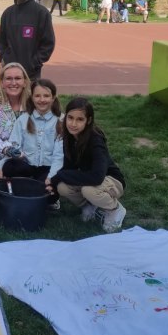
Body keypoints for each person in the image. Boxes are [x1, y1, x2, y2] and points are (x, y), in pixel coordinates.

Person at [47, 97, 126, 233]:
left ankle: (115, 209)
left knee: (88, 190)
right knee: (62, 187)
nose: (73, 123)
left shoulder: (95, 140)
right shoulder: (69, 137)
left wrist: (60, 175)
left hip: (111, 180)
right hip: (91, 179)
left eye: (80, 119)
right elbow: (69, 167)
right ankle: (90, 205)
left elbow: (97, 177)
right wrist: (53, 182)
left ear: (88, 120)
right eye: (70, 118)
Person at [0, 79, 64, 211]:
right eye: (37, 96)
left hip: (48, 168)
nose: (42, 100)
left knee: (48, 193)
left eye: (46, 96)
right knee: (9, 166)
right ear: (32, 98)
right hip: (27, 166)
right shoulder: (23, 120)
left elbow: (59, 156)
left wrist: (51, 178)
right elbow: (13, 147)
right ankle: (23, 187)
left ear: (53, 98)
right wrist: (0, 165)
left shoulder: (61, 121)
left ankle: (48, 197)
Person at [0, 0, 55, 81]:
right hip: (10, 73)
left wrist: (34, 63)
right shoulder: (8, 13)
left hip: (31, 75)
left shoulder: (41, 13)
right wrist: (3, 58)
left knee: (29, 99)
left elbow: (48, 44)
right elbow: (0, 40)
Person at [0, 62, 32, 191]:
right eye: (8, 78)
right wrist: (6, 149)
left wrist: (21, 152)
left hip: (24, 151)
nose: (13, 83)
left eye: (18, 78)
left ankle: (18, 176)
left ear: (25, 82)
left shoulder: (33, 102)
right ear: (2, 83)